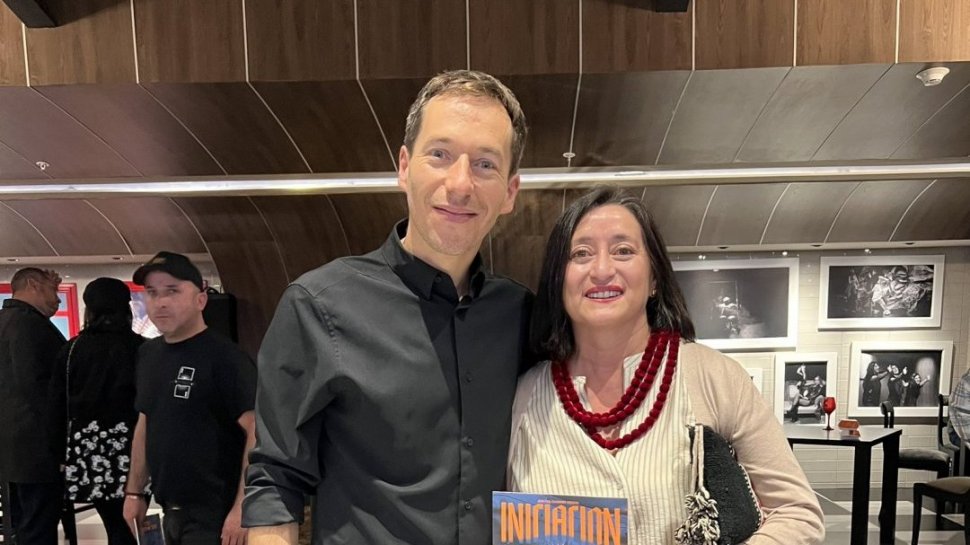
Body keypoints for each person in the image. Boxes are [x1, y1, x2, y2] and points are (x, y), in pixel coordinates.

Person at [243, 70, 532, 545]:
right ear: (404, 167)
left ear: (510, 193)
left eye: (485, 164)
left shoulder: (522, 315)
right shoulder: (318, 306)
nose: (460, 183)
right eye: (440, 155)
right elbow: (276, 479)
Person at [507, 187, 824, 543]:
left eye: (623, 250)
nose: (602, 269)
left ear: (655, 278)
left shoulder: (714, 376)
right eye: (580, 253)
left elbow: (797, 511)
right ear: (557, 279)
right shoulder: (524, 395)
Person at [122, 252, 256, 545]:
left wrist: (242, 506)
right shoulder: (148, 354)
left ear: (201, 299)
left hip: (215, 513)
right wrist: (134, 492)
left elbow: (256, 431)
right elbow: (146, 421)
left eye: (172, 291)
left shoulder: (225, 357)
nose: (161, 302)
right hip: (169, 508)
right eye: (152, 292)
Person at [60, 278, 145, 545]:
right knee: (134, 522)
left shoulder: (72, 349)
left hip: (89, 449)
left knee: (114, 523)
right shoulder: (142, 348)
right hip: (134, 444)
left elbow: (57, 404)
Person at [0, 267, 67, 545]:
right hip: (36, 448)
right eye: (53, 290)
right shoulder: (31, 326)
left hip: (10, 449)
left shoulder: (5, 321)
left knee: (21, 524)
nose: (58, 299)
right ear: (33, 285)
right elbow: (37, 387)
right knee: (39, 526)